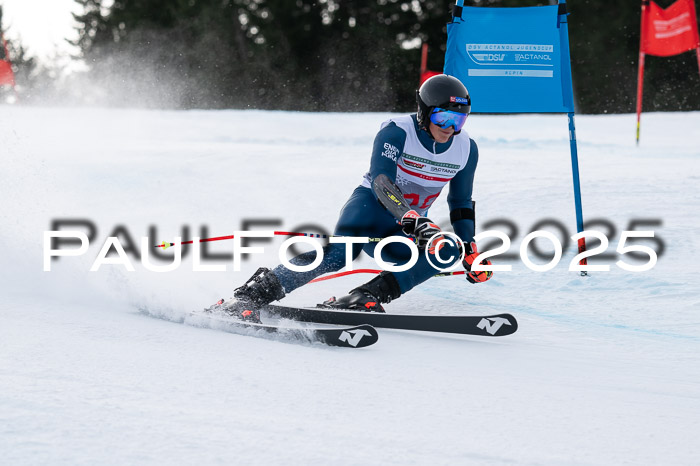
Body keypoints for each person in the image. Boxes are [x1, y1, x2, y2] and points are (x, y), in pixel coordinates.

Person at [222, 74, 492, 321]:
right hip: (369, 208)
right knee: (340, 254)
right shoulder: (397, 131)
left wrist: (470, 248)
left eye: (459, 120)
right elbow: (381, 181)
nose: (450, 128)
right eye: (443, 118)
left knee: (446, 249)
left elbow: (460, 203)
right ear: (424, 111)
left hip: (406, 227)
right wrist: (412, 218)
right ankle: (250, 296)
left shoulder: (466, 149)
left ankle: (364, 296)